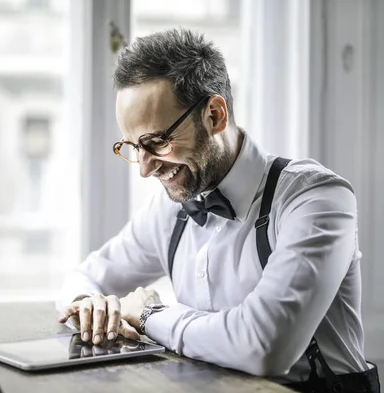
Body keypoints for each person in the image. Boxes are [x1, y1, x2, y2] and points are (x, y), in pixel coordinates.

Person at [55, 28, 380, 392]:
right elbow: (84, 277)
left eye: (157, 142)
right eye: (133, 147)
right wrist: (90, 306)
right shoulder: (169, 209)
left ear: (215, 115)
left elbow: (264, 346)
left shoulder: (316, 199)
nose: (145, 169)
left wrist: (149, 315)